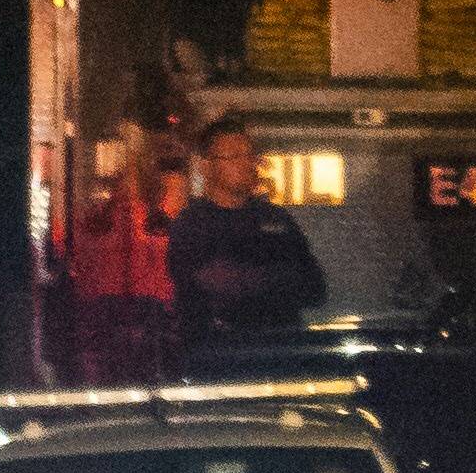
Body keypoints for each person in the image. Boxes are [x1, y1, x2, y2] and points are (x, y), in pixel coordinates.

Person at [160, 113, 325, 366]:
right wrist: (276, 277)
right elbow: (216, 282)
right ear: (206, 167)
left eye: (249, 155)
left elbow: (314, 286)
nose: (247, 164)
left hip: (278, 356)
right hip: (217, 360)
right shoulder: (192, 224)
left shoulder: (276, 220)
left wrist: (254, 279)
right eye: (234, 156)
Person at [50, 115, 180, 385]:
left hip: (146, 314)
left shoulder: (159, 223)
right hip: (102, 315)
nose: (128, 179)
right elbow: (63, 246)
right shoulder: (94, 220)